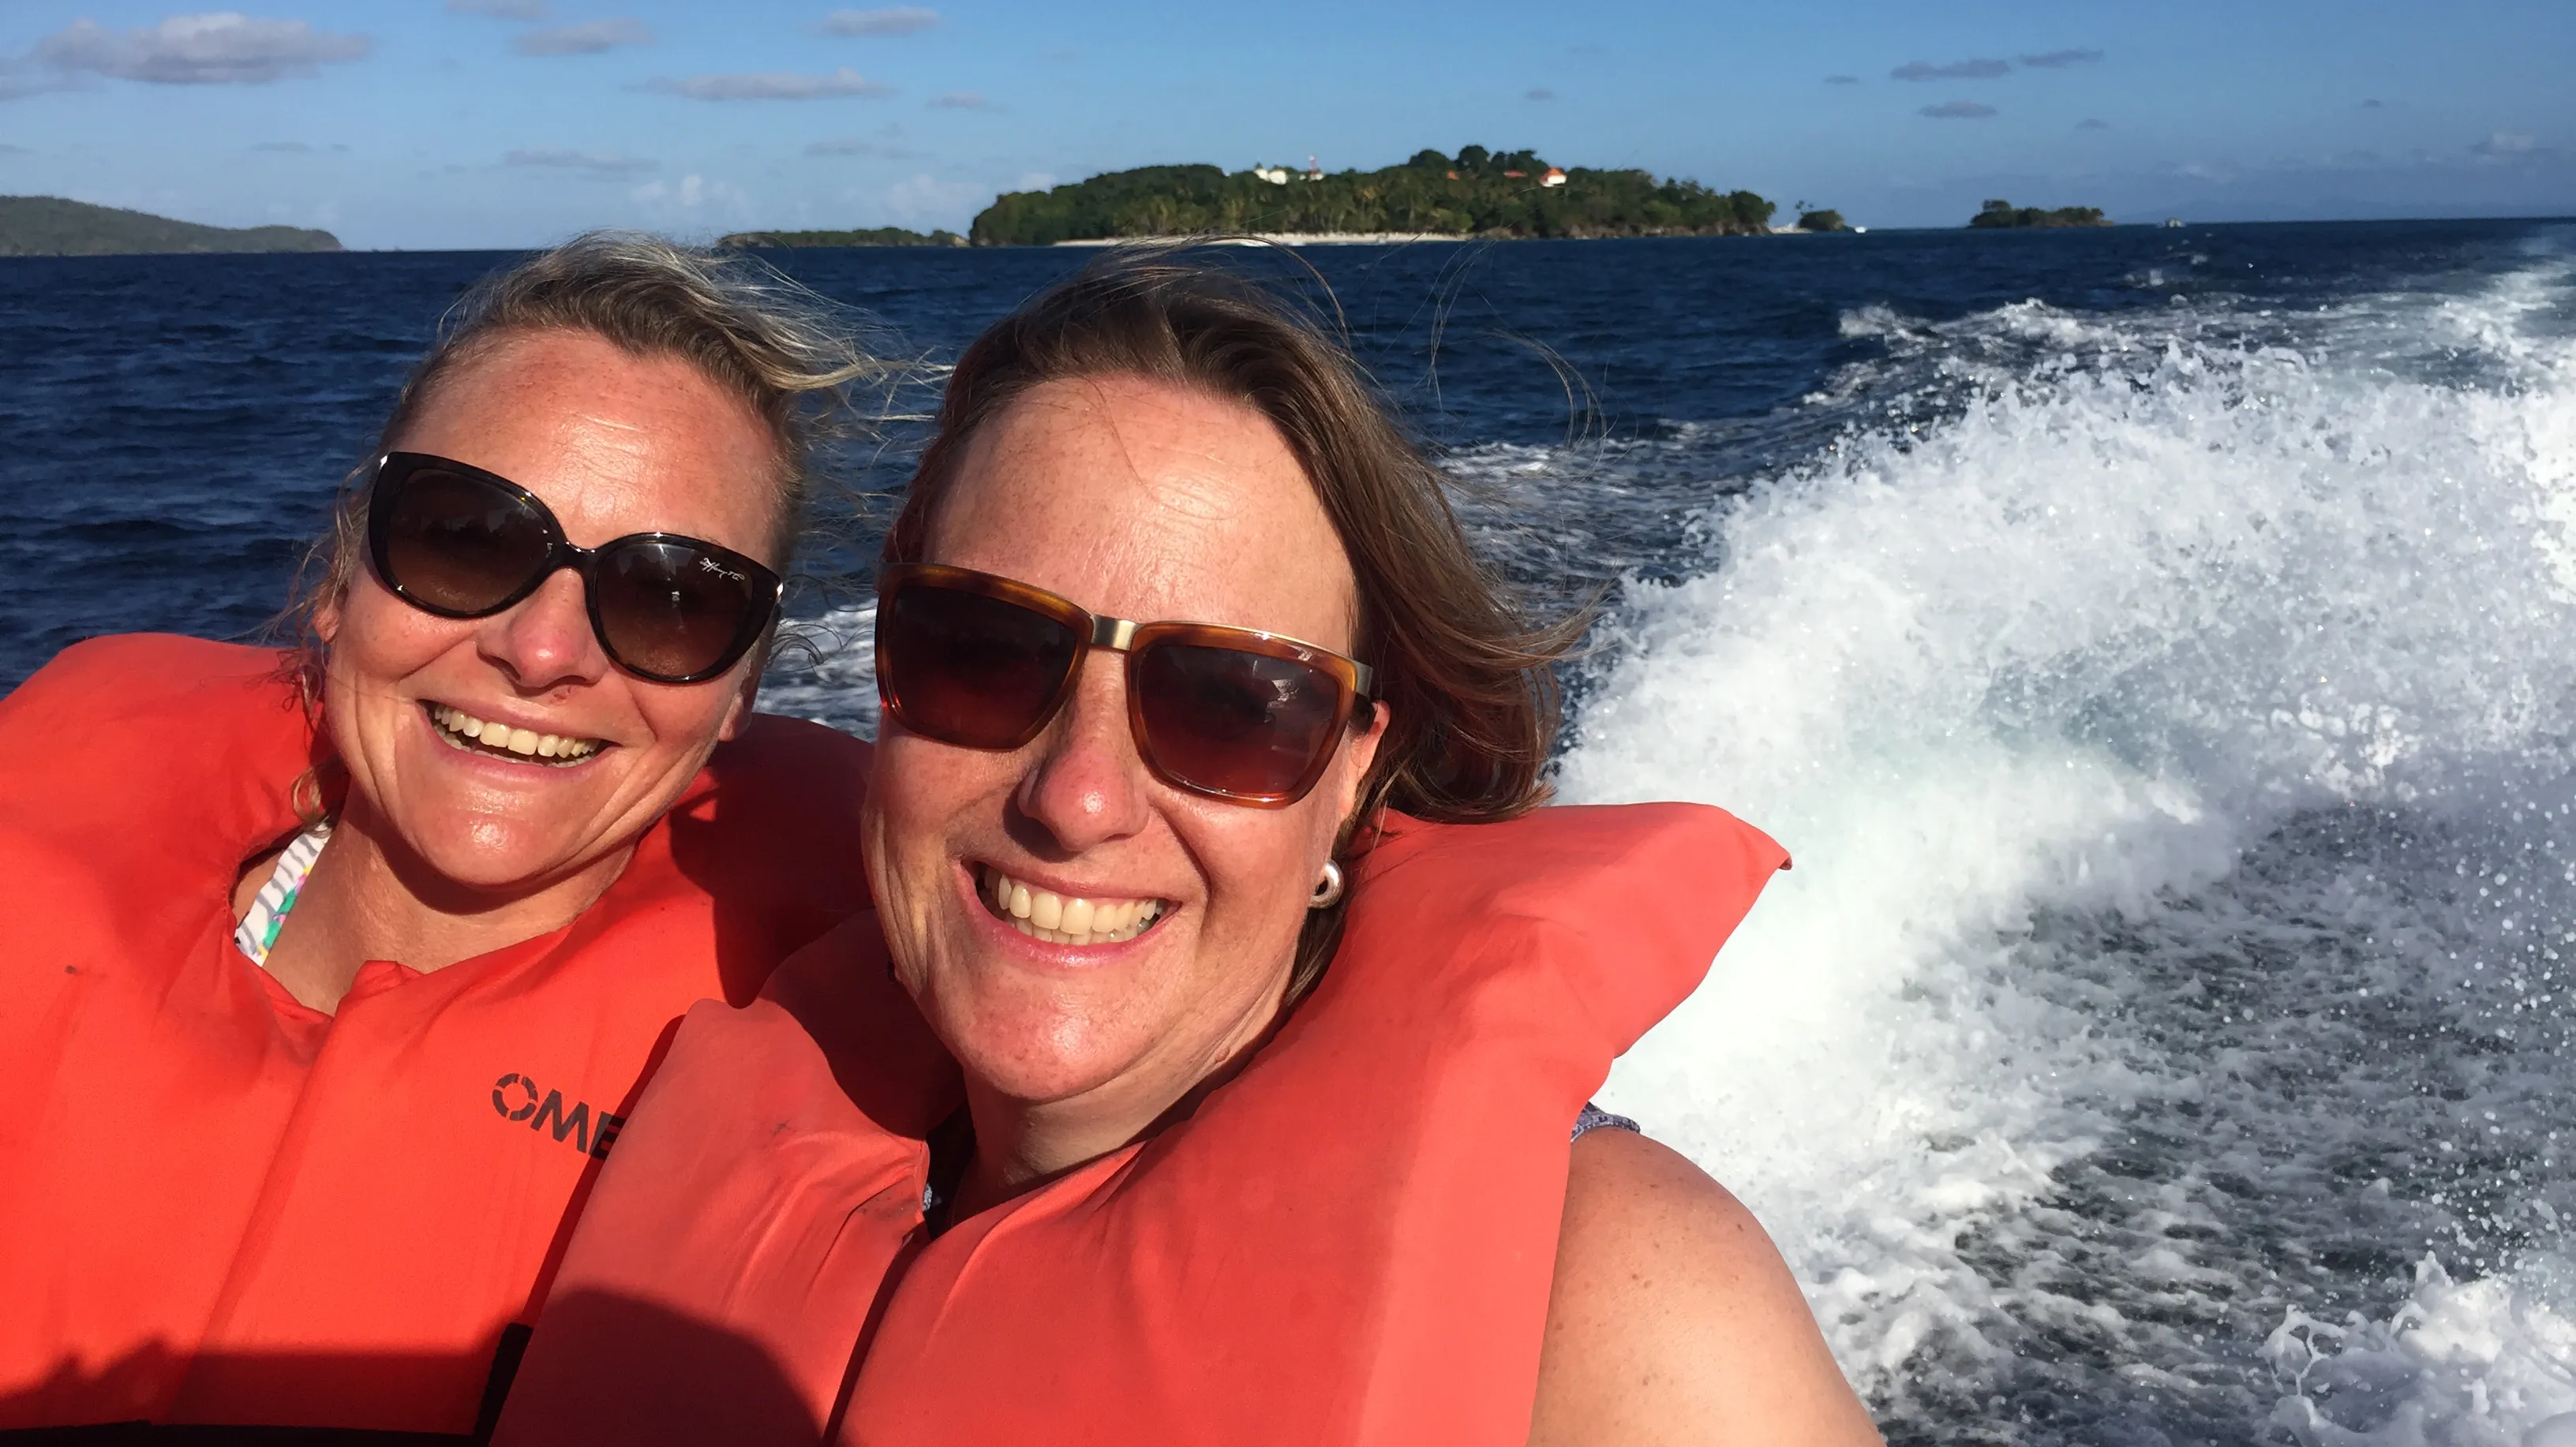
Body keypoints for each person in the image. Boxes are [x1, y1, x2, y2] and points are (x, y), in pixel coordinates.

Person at [499, 254, 1881, 1445]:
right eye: (984, 650)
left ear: (1349, 774)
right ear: (883, 665)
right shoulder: (710, 1063)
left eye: (1232, 703)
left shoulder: (1616, 1309)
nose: (1081, 797)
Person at [0, 234, 910, 1435]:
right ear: (342, 576)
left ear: (742, 688)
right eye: (465, 536)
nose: (540, 652)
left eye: (673, 597)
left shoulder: (873, 1024)